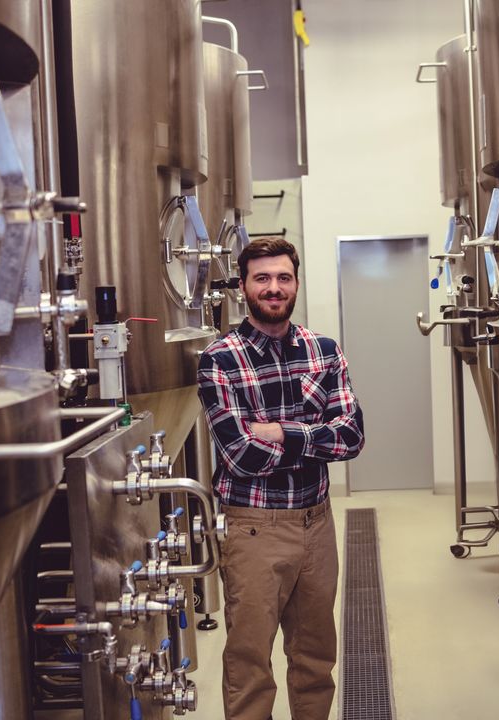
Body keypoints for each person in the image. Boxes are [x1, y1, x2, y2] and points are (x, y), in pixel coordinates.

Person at [197, 236, 366, 720]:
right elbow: (241, 455)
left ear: (296, 283)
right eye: (263, 278)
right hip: (254, 528)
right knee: (250, 661)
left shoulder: (323, 350)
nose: (274, 287)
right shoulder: (219, 360)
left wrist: (280, 433)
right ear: (243, 286)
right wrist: (313, 436)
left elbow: (352, 437)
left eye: (283, 278)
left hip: (317, 523)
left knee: (316, 656)